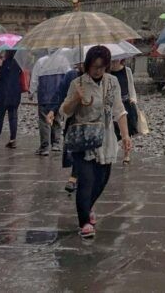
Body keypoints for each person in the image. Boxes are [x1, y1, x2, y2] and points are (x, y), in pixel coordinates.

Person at [60, 45, 131, 239]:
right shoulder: (78, 83)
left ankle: (87, 206)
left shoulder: (112, 82)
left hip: (105, 137)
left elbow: (119, 109)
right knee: (87, 180)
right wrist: (76, 98)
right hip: (83, 138)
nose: (97, 70)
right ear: (87, 65)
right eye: (94, 66)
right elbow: (65, 111)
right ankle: (84, 222)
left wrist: (125, 136)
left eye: (101, 66)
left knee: (101, 179)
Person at [32, 53, 64, 156]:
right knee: (57, 119)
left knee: (44, 121)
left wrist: (31, 91)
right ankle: (56, 143)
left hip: (44, 96)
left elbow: (34, 79)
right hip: (58, 97)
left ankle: (44, 147)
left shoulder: (40, 61)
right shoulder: (63, 61)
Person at [0, 51, 21, 148]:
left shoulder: (4, 64)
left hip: (4, 93)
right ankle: (13, 140)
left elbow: (1, 78)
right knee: (13, 116)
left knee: (0, 117)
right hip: (15, 93)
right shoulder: (18, 63)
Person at [109, 57, 139, 164]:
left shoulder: (127, 70)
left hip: (126, 103)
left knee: (127, 132)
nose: (114, 61)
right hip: (113, 104)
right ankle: (112, 150)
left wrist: (133, 99)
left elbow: (131, 86)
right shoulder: (108, 72)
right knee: (114, 129)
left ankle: (127, 154)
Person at [59, 59, 82, 193]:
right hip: (74, 121)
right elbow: (63, 98)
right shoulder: (72, 77)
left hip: (95, 124)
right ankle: (74, 177)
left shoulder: (105, 80)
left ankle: (75, 177)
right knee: (77, 149)